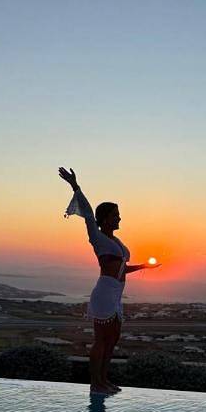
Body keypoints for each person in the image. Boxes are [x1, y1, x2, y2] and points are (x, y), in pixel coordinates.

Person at [59, 167, 161, 396]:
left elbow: (122, 269)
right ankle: (95, 383)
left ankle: (104, 380)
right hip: (105, 293)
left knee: (112, 340)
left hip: (116, 295)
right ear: (105, 219)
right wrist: (75, 186)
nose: (119, 218)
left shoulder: (116, 241)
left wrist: (144, 267)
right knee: (101, 340)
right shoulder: (97, 237)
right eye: (116, 215)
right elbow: (87, 213)